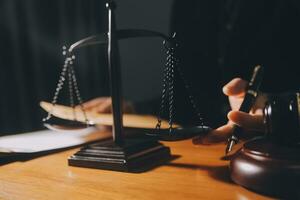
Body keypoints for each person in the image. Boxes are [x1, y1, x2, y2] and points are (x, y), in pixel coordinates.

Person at [82, 0, 300, 145]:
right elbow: (189, 99)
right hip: (205, 158)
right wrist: (133, 110)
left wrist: (282, 112)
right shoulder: (190, 5)